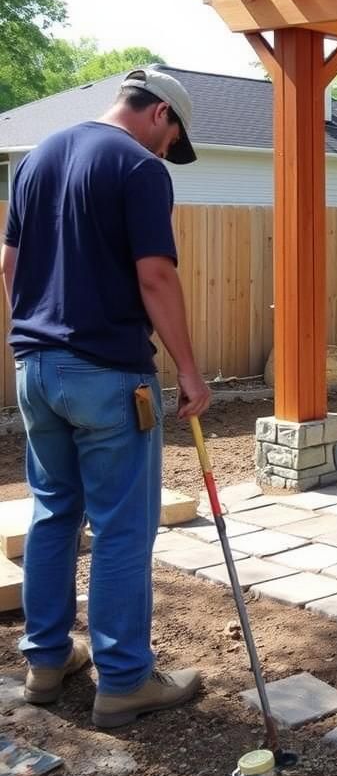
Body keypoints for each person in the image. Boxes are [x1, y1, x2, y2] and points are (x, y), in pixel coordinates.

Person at [1, 68, 212, 728]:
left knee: (55, 512)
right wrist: (190, 370)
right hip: (109, 375)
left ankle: (45, 660)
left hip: (34, 369)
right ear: (159, 115)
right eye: (170, 140)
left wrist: (36, 337)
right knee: (123, 526)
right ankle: (123, 680)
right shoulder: (139, 170)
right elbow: (155, 275)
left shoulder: (35, 161)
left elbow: (8, 266)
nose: (165, 153)